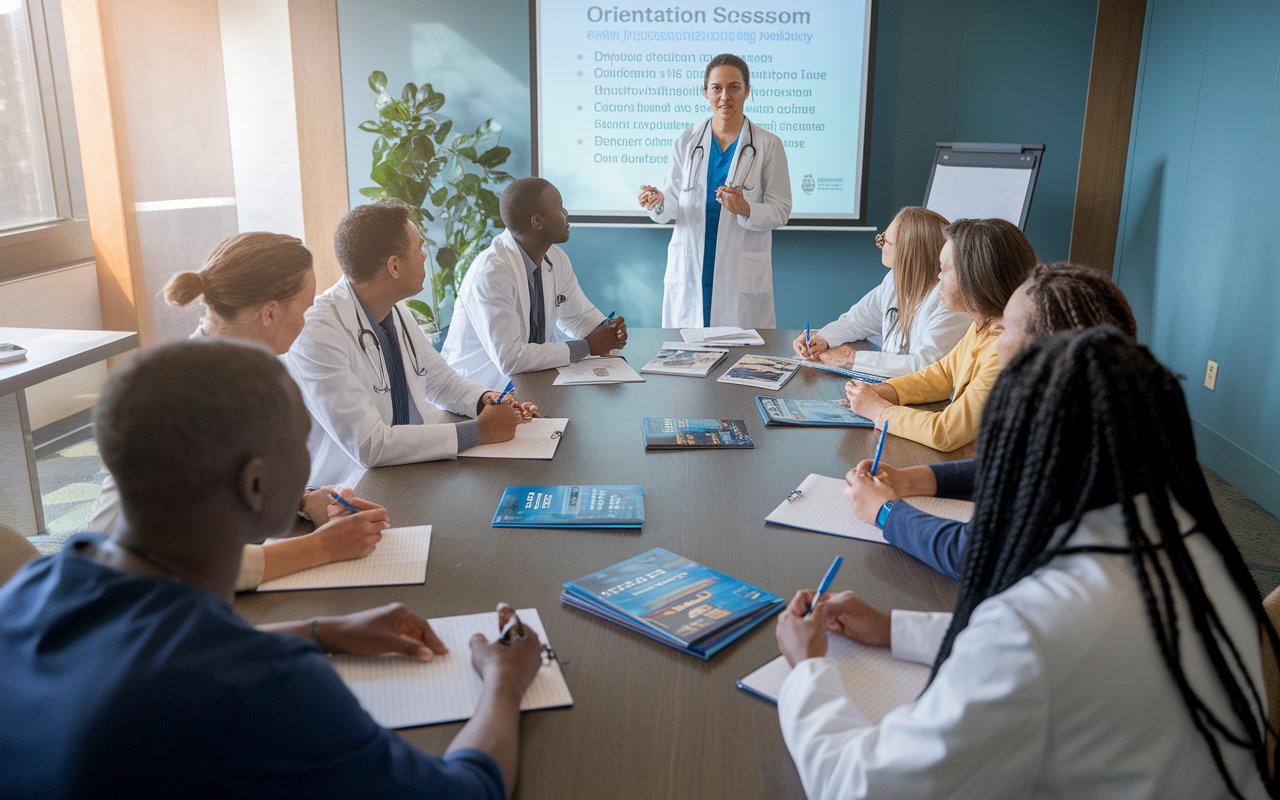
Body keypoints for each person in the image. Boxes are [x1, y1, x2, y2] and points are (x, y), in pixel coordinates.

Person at [0, 339, 543, 798]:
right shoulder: (267, 686)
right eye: (302, 442)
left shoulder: (33, 587)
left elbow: (143, 652)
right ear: (256, 484)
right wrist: (503, 680)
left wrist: (319, 630)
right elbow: (465, 791)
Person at [775, 327, 1278, 799]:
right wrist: (893, 629)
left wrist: (808, 669)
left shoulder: (1035, 627)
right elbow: (1063, 652)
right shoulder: (1195, 543)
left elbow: (860, 784)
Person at [84, 232, 389, 592]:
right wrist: (322, 546)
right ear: (271, 312)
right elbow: (182, 561)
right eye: (305, 309)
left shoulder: (231, 372)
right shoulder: (192, 398)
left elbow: (223, 490)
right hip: (119, 590)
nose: (306, 322)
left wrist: (307, 500)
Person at [846, 262, 1139, 578]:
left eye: (1006, 329)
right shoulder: (1095, 412)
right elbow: (1012, 467)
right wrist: (914, 479)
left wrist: (883, 511)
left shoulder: (1078, 446)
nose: (996, 343)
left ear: (1047, 348)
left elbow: (972, 553)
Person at [287, 199, 537, 488]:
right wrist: (479, 431)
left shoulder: (394, 308)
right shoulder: (316, 334)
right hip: (351, 488)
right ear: (394, 266)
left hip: (407, 470)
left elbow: (441, 381)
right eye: (419, 248)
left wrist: (487, 401)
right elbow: (369, 445)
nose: (423, 257)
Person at [844, 217, 1037, 452]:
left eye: (944, 270)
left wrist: (878, 411)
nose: (938, 278)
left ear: (975, 276)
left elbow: (945, 431)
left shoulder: (1006, 348)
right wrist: (886, 391)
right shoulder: (984, 324)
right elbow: (943, 374)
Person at [638, 53, 791, 329]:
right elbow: (672, 201)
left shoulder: (769, 144)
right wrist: (659, 201)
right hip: (692, 265)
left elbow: (781, 209)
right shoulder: (686, 141)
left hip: (739, 270)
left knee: (740, 357)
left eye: (734, 87)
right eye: (716, 88)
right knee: (687, 356)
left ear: (747, 91)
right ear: (704, 92)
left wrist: (747, 209)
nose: (725, 96)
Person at [443, 177, 627, 389]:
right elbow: (511, 359)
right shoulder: (492, 272)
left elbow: (579, 317)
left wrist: (608, 331)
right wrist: (586, 346)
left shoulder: (555, 258)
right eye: (560, 207)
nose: (566, 213)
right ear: (537, 221)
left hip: (532, 387)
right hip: (480, 394)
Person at [792, 206, 971, 378]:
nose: (880, 245)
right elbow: (857, 320)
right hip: (891, 388)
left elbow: (924, 366)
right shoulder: (895, 279)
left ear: (909, 254)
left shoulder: (950, 302)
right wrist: (823, 339)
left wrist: (851, 358)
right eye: (881, 238)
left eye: (886, 242)